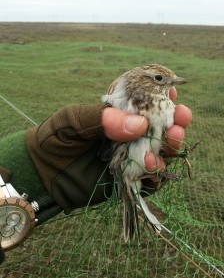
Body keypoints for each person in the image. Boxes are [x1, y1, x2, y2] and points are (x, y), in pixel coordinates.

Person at [0, 87, 192, 217]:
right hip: (119, 159)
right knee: (150, 162)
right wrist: (37, 165)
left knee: (159, 155)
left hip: (126, 160)